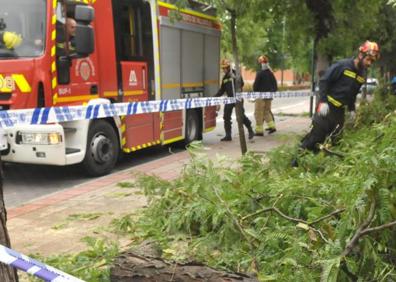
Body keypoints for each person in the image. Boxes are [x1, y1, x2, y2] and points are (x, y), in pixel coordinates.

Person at [293, 40, 380, 165]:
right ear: (360, 55)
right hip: (326, 108)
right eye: (368, 59)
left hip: (339, 113)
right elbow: (324, 81)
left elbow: (353, 93)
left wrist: (351, 109)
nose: (369, 63)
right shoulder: (342, 66)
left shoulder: (361, 74)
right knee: (315, 139)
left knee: (337, 142)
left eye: (372, 61)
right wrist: (322, 102)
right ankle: (294, 164)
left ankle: (323, 168)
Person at [215, 59, 254, 141]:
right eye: (223, 68)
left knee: (241, 116)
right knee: (226, 116)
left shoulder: (236, 73)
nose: (223, 70)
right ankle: (228, 135)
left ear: (229, 67)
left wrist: (236, 79)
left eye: (225, 68)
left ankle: (250, 130)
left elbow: (242, 84)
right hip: (229, 99)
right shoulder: (225, 78)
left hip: (238, 98)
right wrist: (215, 96)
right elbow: (222, 90)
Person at [253, 55, 277, 136]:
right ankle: (272, 126)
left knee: (258, 113)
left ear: (261, 63)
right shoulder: (271, 73)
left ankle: (259, 131)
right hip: (269, 96)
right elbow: (275, 86)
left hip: (260, 97)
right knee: (266, 112)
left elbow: (255, 86)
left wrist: (255, 92)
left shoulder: (259, 73)